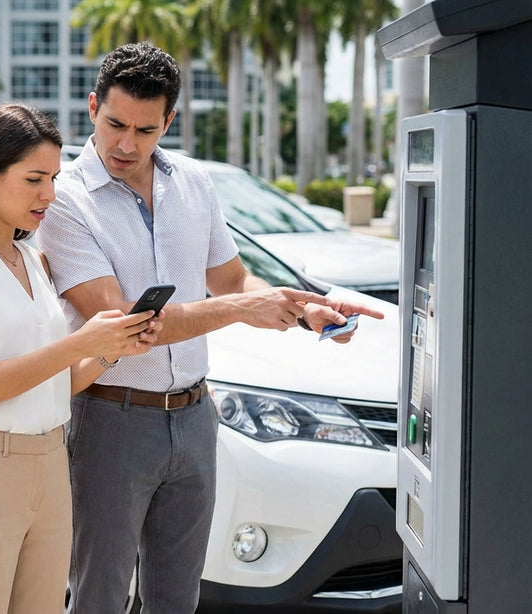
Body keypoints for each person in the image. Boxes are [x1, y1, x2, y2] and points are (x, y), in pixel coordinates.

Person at [34, 42, 385, 614]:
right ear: (92, 107)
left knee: (178, 600)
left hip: (197, 418)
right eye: (115, 123)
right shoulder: (66, 201)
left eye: (145, 130)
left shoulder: (195, 183)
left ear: (168, 121)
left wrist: (302, 311)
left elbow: (232, 281)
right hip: (109, 421)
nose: (126, 144)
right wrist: (242, 310)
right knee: (98, 596)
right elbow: (121, 325)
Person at [0, 103, 162, 614]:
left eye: (55, 178)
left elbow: (57, 381)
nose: (50, 194)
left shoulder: (32, 256)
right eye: (35, 179)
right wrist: (79, 343)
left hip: (49, 465)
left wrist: (111, 351)